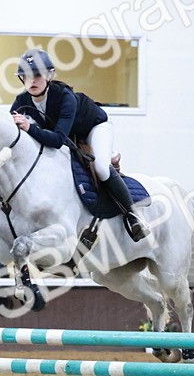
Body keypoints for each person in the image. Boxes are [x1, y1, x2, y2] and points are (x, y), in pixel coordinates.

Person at [9, 49, 149, 241]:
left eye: (37, 75)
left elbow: (57, 140)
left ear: (49, 76)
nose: (32, 81)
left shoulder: (64, 96)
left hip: (93, 128)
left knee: (101, 168)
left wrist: (28, 127)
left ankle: (133, 215)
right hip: (69, 136)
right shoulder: (21, 101)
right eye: (26, 76)